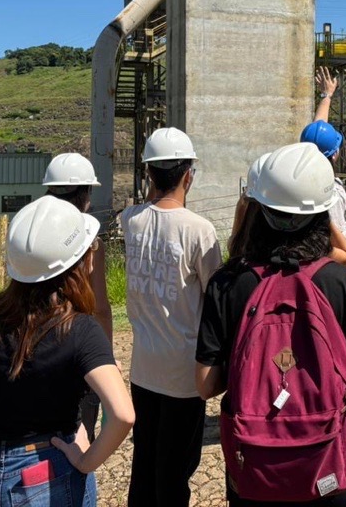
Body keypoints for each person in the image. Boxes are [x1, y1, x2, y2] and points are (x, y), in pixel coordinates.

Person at [196, 142, 346, 506]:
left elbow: (205, 386)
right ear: (322, 212)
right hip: (328, 470)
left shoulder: (228, 282)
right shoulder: (342, 283)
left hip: (254, 474)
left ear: (259, 209)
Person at [0, 196, 134, 507]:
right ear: (78, 262)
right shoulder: (80, 329)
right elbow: (122, 415)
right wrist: (86, 461)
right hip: (48, 470)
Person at [119, 127, 222, 507]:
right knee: (176, 471)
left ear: (148, 174)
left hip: (143, 370)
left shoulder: (130, 220)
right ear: (188, 175)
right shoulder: (200, 231)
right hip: (184, 374)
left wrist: (155, 186)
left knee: (144, 462)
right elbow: (216, 295)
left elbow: (148, 207)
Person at [43, 152, 114, 441]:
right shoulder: (90, 243)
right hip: (78, 344)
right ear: (85, 194)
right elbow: (100, 308)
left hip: (38, 340)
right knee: (79, 434)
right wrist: (105, 356)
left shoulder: (33, 231)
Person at [301, 66, 346, 252]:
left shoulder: (300, 181)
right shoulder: (331, 194)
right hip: (331, 271)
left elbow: (318, 132)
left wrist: (326, 96)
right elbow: (337, 248)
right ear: (335, 154)